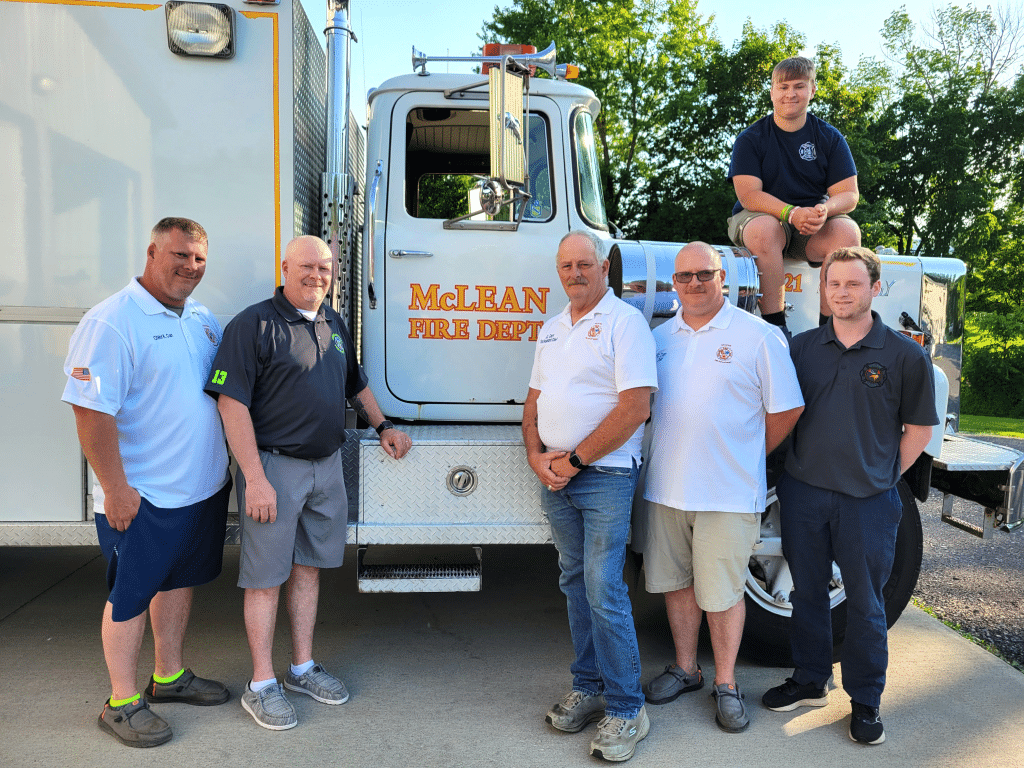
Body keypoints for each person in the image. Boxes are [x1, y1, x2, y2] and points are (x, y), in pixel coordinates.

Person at [204, 235, 412, 731]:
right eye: (307, 266)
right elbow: (230, 404)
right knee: (264, 578)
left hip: (326, 466)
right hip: (274, 469)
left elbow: (355, 383)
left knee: (309, 570)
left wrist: (383, 426)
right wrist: (254, 478)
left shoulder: (331, 321)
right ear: (285, 268)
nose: (317, 275)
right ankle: (261, 684)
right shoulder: (253, 324)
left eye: (325, 267)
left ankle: (301, 669)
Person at [62, 217, 232, 748]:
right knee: (130, 595)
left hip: (199, 489)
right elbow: (90, 413)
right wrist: (115, 489)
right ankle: (120, 702)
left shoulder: (202, 318)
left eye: (199, 259)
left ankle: (169, 676)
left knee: (176, 581)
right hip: (143, 495)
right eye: (180, 255)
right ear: (153, 253)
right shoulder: (112, 321)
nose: (191, 267)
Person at [763, 246, 937, 746]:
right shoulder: (801, 348)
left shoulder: (905, 355)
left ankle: (865, 699)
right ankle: (810, 679)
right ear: (824, 289)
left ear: (875, 288)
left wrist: (884, 476)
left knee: (865, 603)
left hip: (868, 502)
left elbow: (919, 430)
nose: (842, 293)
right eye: (834, 284)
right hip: (803, 494)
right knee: (807, 593)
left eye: (853, 284)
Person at [640, 241, 804, 733]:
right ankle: (686, 669)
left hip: (728, 493)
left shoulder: (758, 336)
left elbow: (787, 409)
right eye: (684, 276)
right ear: (673, 283)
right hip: (666, 488)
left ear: (723, 279)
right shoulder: (659, 338)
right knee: (676, 585)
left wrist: (746, 452)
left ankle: (727, 684)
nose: (694, 283)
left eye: (704, 274)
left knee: (724, 593)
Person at [523, 230, 657, 762]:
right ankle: (589, 685)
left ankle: (627, 708)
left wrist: (574, 460)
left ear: (604, 268)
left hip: (604, 476)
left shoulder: (625, 322)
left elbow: (635, 407)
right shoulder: (553, 328)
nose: (574, 273)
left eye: (584, 264)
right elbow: (533, 403)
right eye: (566, 266)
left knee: (604, 588)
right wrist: (536, 458)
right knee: (575, 583)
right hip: (557, 477)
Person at [727, 56, 861, 336]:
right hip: (760, 218)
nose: (790, 94)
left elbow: (848, 194)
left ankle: (830, 334)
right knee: (765, 230)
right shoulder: (750, 139)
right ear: (772, 92)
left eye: (799, 86)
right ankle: (775, 330)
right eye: (783, 87)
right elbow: (749, 195)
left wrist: (825, 210)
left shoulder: (830, 137)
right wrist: (791, 213)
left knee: (847, 232)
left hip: (809, 225)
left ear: (812, 90)